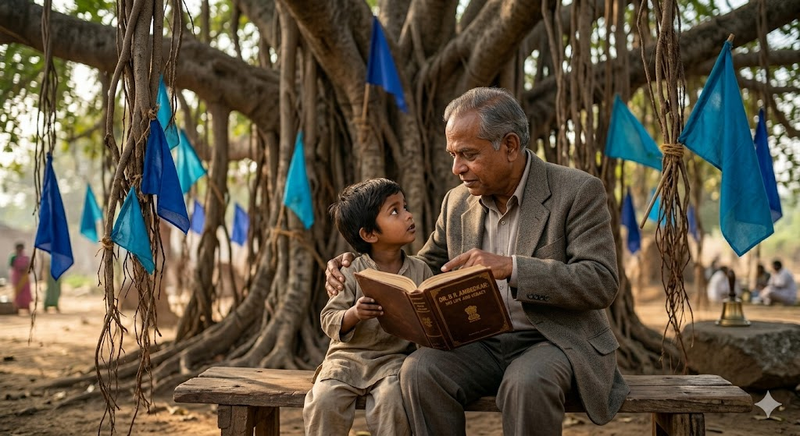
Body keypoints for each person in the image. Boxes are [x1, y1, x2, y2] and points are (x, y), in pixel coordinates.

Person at [325, 87, 628, 435]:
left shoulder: (577, 191)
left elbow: (600, 281)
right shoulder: (456, 203)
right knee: (419, 372)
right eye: (453, 155)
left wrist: (512, 267)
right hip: (478, 342)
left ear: (510, 146)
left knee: (526, 383)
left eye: (468, 154)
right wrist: (361, 261)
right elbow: (422, 267)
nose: (457, 168)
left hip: (552, 340)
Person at [304, 178, 431, 436]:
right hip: (346, 361)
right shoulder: (350, 271)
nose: (408, 215)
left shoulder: (420, 270)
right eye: (395, 211)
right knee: (324, 400)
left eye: (405, 207)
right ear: (369, 234)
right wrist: (354, 314)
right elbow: (328, 318)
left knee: (392, 403)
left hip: (392, 363)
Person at [9, 242, 32, 313]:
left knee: (26, 292)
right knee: (17, 292)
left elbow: (29, 265)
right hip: (17, 276)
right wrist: (19, 269)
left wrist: (25, 269)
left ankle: (27, 306)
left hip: (24, 276)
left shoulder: (26, 257)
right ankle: (17, 307)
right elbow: (11, 266)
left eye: (21, 248)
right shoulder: (13, 257)